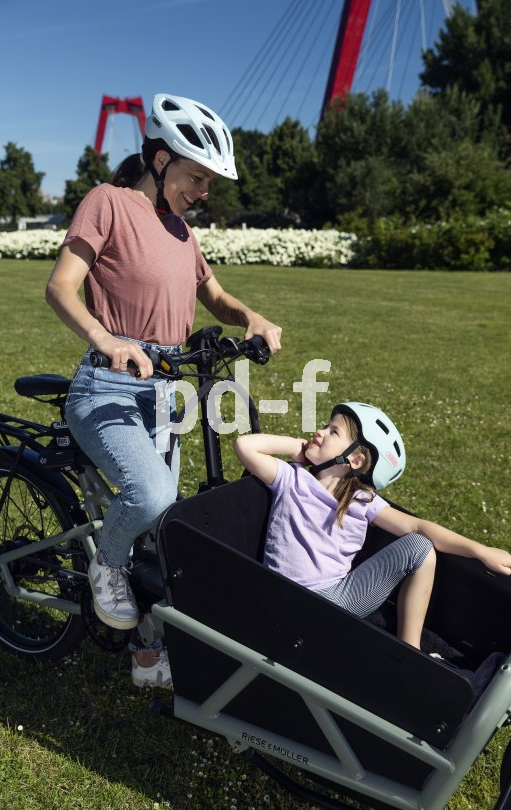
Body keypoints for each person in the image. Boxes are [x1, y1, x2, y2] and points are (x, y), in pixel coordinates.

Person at [46, 92, 282, 688]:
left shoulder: (183, 233)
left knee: (166, 527)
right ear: (157, 159)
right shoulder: (109, 203)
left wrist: (250, 316)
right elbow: (61, 288)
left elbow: (217, 297)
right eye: (196, 178)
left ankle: (148, 657)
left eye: (208, 182)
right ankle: (107, 561)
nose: (203, 192)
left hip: (164, 394)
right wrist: (108, 340)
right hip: (106, 386)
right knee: (149, 499)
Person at [234, 401, 511, 651]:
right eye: (325, 426)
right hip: (287, 598)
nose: (319, 431)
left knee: (421, 548)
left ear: (355, 460)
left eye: (333, 432)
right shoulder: (290, 478)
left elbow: (417, 527)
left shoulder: (362, 500)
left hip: (337, 599)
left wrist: (480, 551)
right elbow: (244, 445)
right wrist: (296, 446)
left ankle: (409, 651)